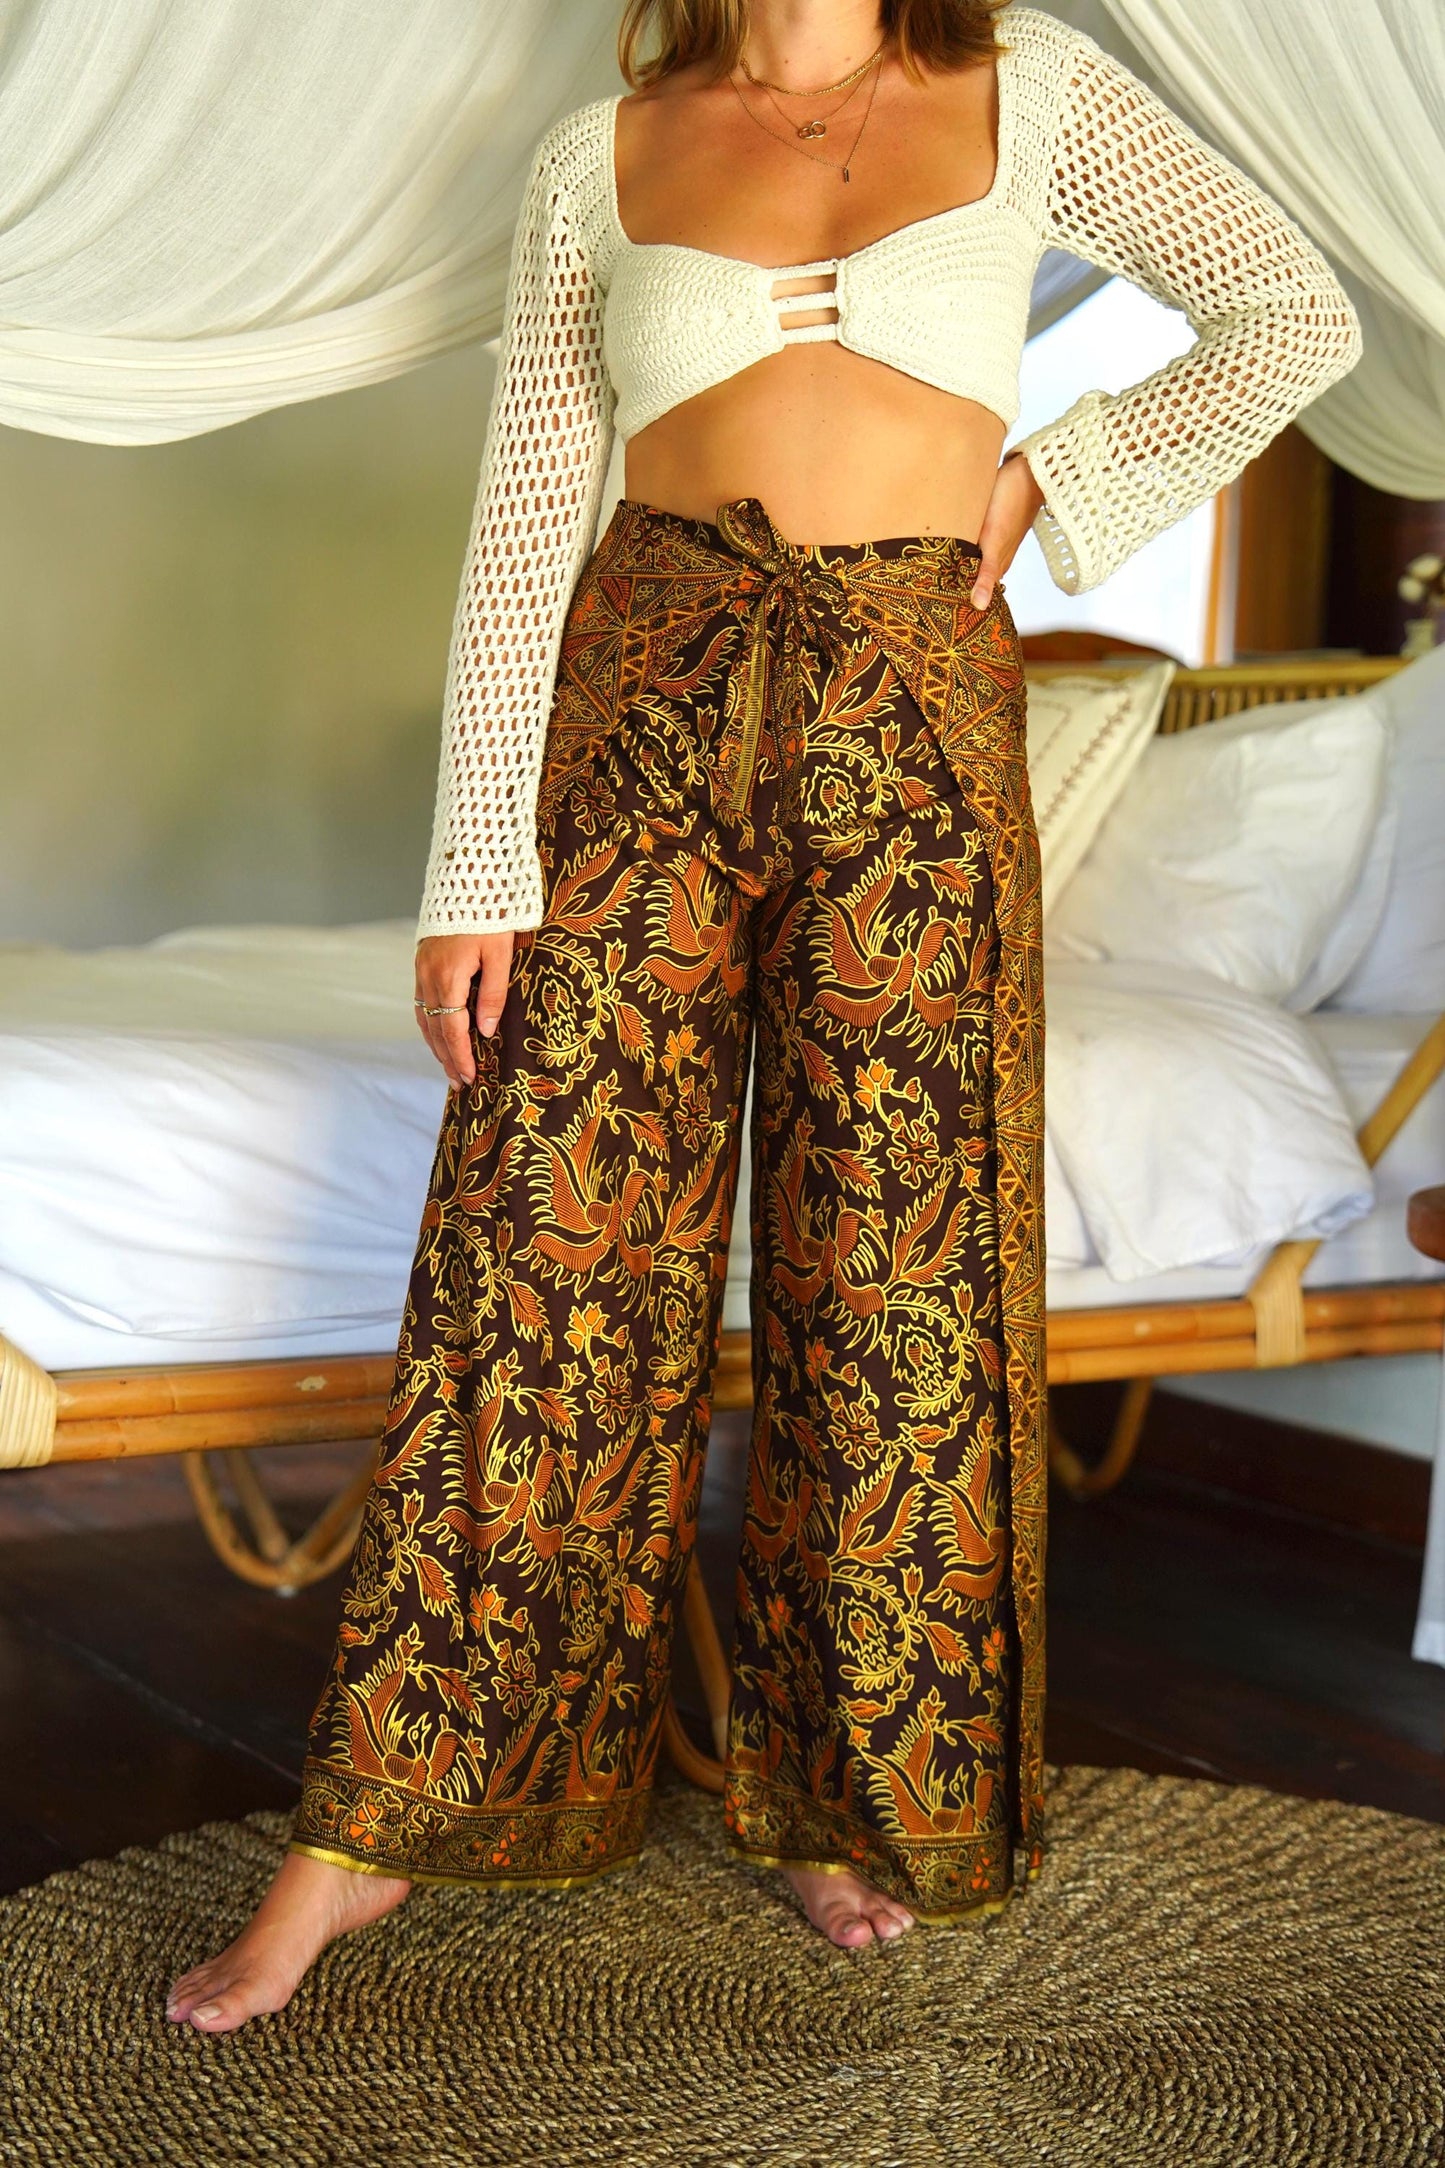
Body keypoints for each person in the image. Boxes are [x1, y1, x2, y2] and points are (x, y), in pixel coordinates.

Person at [167, 0, 1359, 2031]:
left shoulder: (1036, 90)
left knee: (891, 1273)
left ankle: (841, 1790)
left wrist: (1050, 483)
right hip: (642, 704)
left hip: (916, 721)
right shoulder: (602, 153)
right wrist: (475, 862)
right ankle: (378, 1826)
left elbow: (1290, 314)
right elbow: (525, 521)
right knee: (536, 1253)